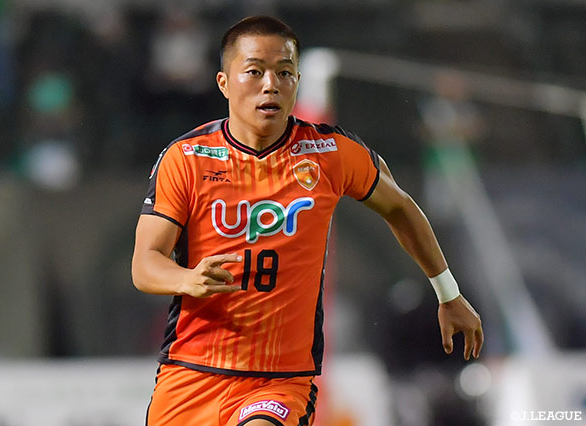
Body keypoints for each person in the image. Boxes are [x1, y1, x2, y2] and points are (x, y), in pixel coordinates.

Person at [131, 16, 483, 426]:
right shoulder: (187, 158)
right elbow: (145, 263)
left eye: (284, 73)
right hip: (191, 374)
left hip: (278, 381)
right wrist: (186, 279)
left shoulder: (330, 152)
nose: (270, 85)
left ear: (297, 81)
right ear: (224, 83)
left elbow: (400, 208)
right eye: (254, 71)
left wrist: (448, 293)